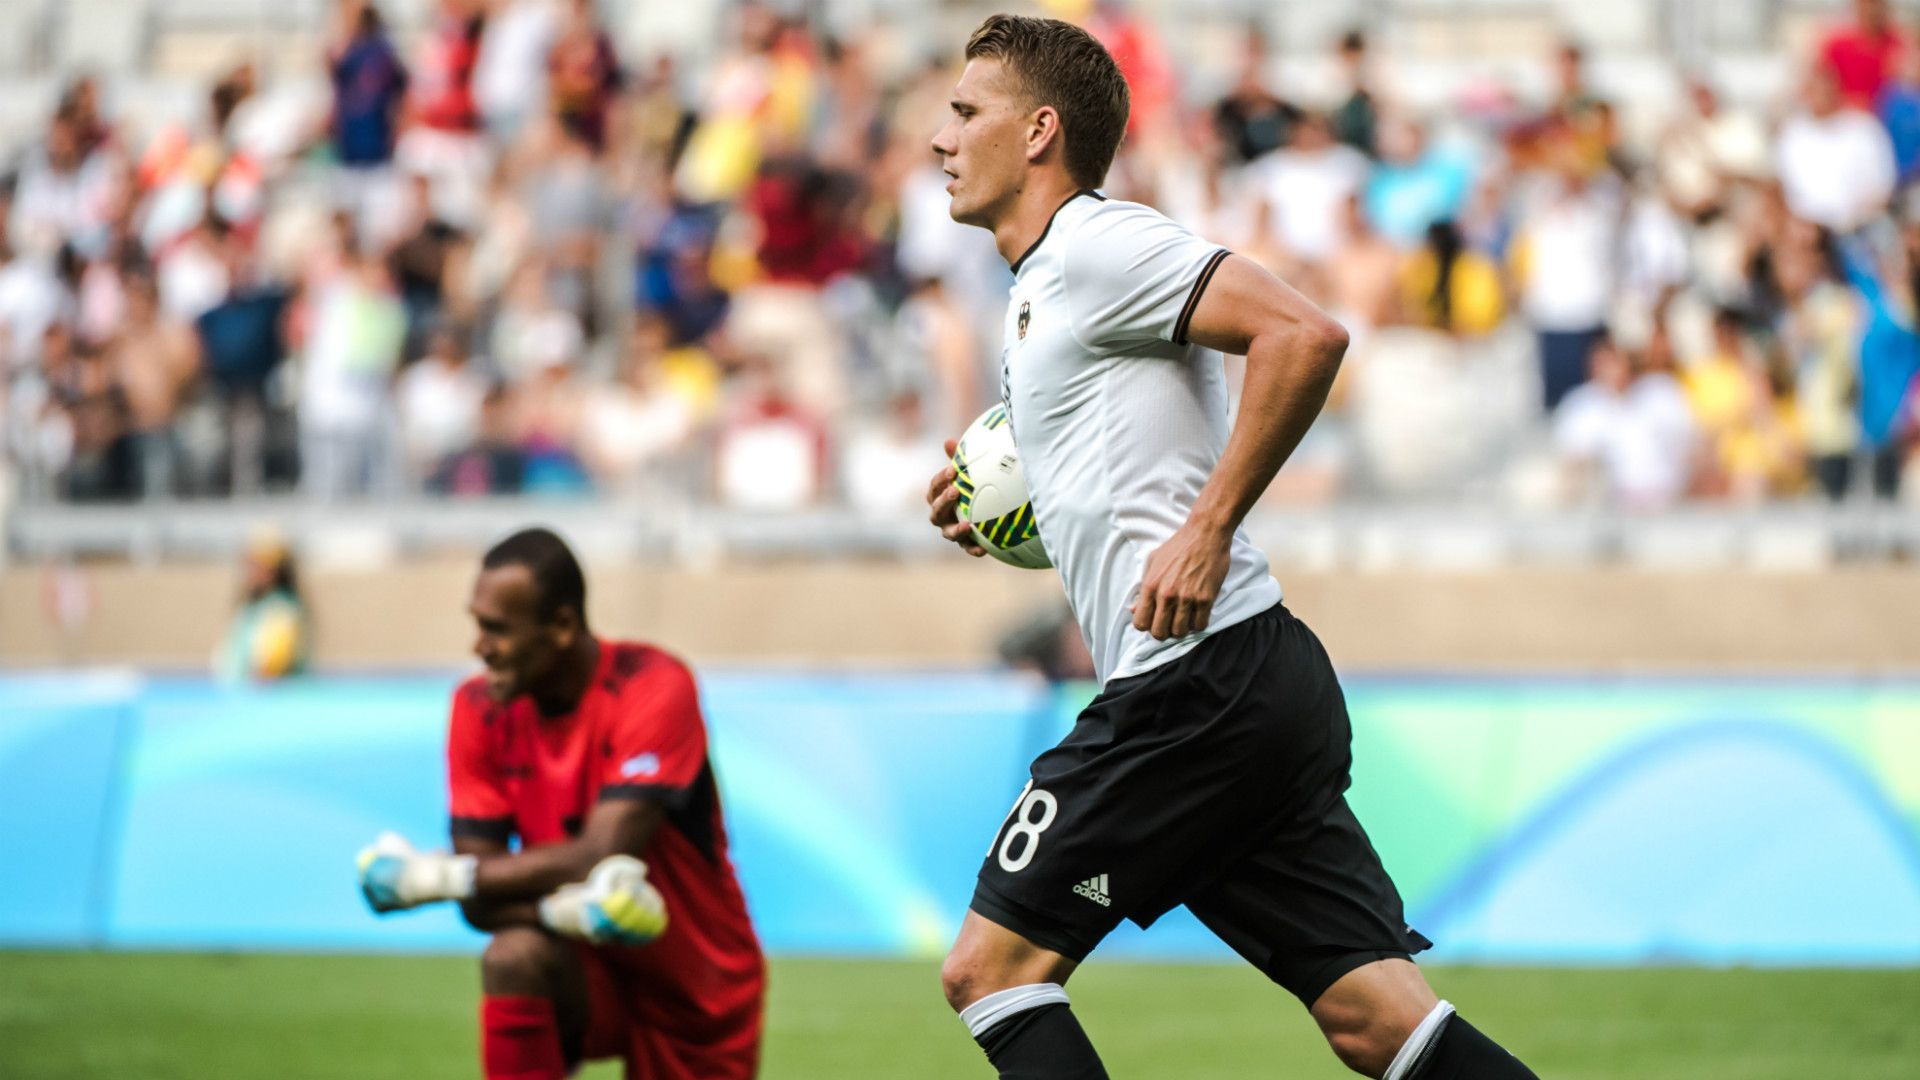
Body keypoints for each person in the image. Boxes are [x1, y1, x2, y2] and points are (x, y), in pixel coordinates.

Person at [924, 15, 1538, 1080]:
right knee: (1379, 1023)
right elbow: (1119, 472)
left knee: (990, 971)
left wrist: (1209, 529)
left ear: (1038, 131)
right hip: (1249, 686)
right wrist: (1002, 511)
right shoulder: (1036, 291)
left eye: (966, 112)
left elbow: (1305, 333)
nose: (942, 137)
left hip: (1190, 688)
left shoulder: (1098, 244)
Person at [355, 527, 765, 1079]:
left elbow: (599, 854)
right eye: (477, 624)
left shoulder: (653, 684)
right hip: (580, 962)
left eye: (497, 629)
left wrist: (430, 879)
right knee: (512, 956)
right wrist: (564, 913)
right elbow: (480, 899)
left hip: (693, 979)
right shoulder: (477, 708)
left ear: (563, 626)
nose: (478, 647)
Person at [213, 526, 311, 683]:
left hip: (261, 697)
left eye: (257, 565)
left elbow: (270, 670)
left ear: (274, 569)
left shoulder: (279, 609)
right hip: (237, 695)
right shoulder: (254, 606)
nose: (250, 571)